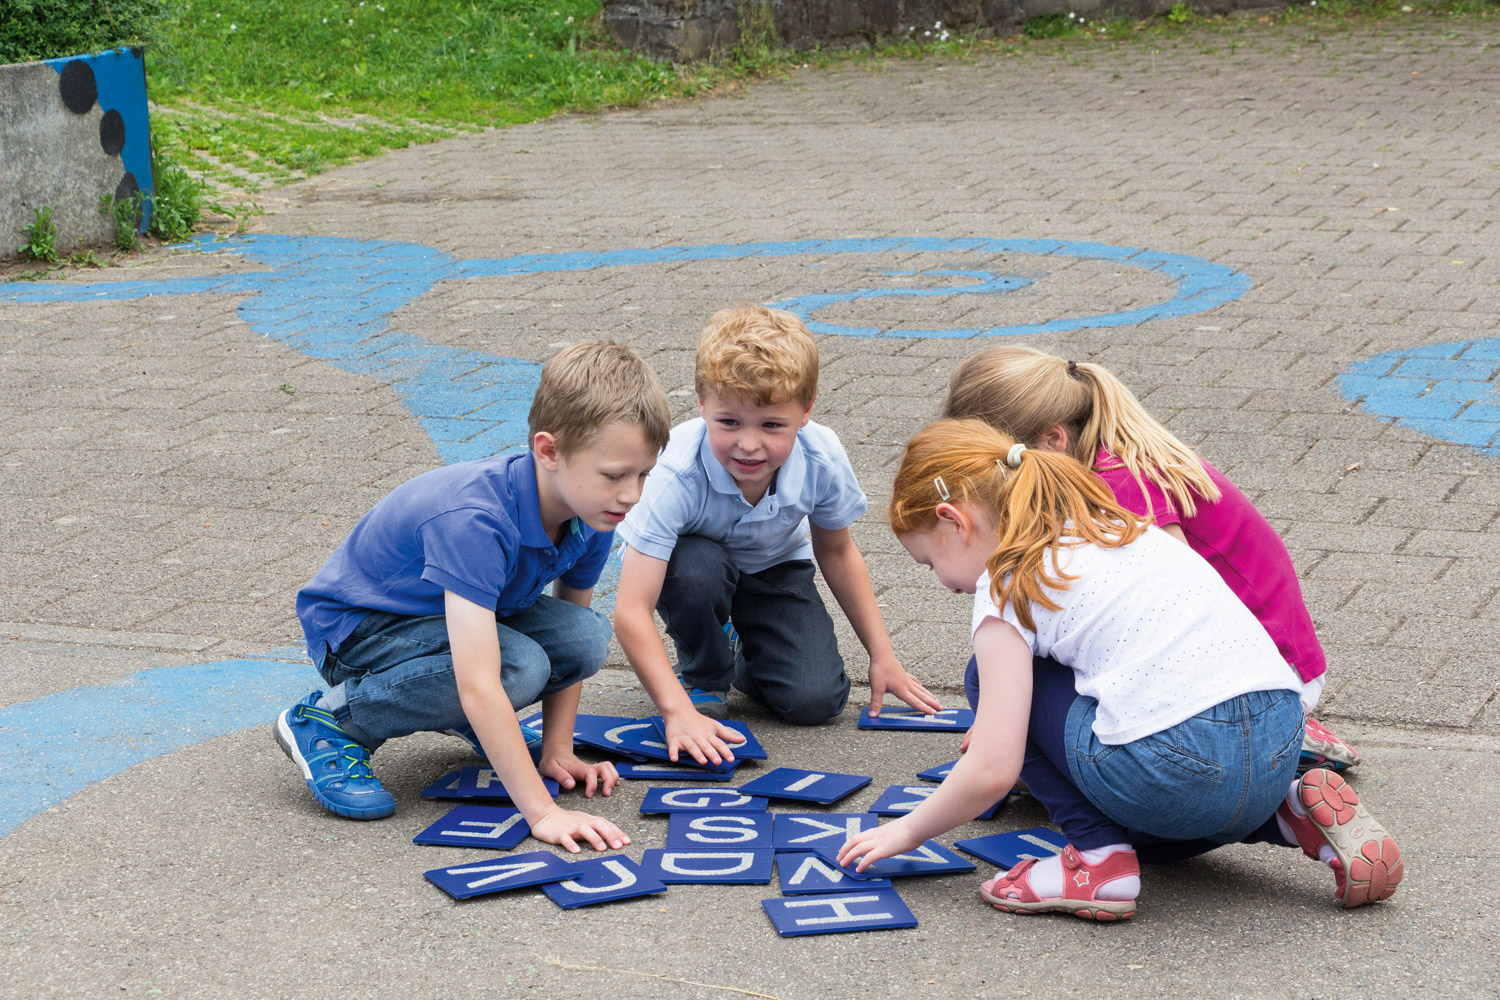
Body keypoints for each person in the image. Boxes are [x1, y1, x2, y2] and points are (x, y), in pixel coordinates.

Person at [837, 419, 1402, 920]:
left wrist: (905, 830)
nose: (943, 582)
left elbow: (992, 772)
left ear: (954, 521)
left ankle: (1098, 862)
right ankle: (1289, 812)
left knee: (986, 678)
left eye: (929, 561)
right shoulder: (1118, 525)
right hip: (1281, 741)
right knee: (1148, 828)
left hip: (1182, 769)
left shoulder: (1007, 583)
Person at [275, 341, 670, 854]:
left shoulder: (593, 510)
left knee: (585, 638)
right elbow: (481, 683)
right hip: (359, 634)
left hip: (446, 626)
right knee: (517, 667)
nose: (632, 495)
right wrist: (543, 812)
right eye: (616, 475)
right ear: (548, 451)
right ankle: (331, 719)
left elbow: (571, 630)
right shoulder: (475, 520)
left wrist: (556, 750)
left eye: (644, 474)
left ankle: (472, 723)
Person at [943, 343, 1360, 772]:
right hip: (1256, 668)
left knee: (1022, 722)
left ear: (1052, 440)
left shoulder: (1119, 485)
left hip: (1265, 676)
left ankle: (1279, 742)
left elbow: (1175, 608)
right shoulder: (1097, 461)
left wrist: (1012, 726)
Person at [613, 304, 940, 766]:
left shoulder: (822, 456)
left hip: (776, 570)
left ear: (805, 412)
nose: (749, 444)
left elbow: (838, 551)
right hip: (695, 572)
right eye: (729, 422)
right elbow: (630, 611)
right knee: (697, 567)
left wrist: (883, 655)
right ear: (701, 405)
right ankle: (705, 672)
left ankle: (745, 653)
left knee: (815, 703)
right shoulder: (672, 473)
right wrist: (676, 711)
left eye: (771, 425)